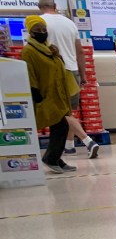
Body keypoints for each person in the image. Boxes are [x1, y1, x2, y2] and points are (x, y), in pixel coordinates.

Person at [38, 0, 100, 159]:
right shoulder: (70, 23)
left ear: (39, 7)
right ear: (55, 6)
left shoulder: (39, 23)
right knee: (69, 111)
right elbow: (80, 51)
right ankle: (70, 146)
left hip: (54, 73)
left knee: (63, 112)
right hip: (72, 70)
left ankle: (88, 141)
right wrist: (83, 73)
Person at [21, 16, 77, 175]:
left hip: (57, 94)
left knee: (58, 126)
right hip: (44, 95)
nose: (42, 33)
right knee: (61, 126)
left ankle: (56, 158)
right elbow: (29, 73)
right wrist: (36, 94)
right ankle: (51, 158)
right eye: (37, 30)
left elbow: (59, 68)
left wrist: (57, 55)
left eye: (44, 30)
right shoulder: (29, 51)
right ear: (30, 32)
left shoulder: (49, 48)